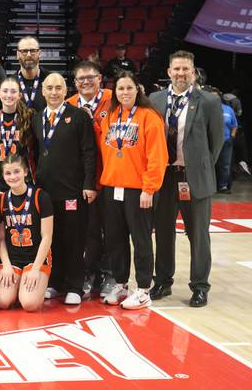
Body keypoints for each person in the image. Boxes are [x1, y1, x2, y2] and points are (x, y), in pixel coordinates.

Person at [149, 51, 224, 308]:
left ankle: (200, 286)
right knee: (164, 232)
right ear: (169, 71)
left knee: (199, 234)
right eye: (177, 69)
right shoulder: (155, 99)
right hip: (165, 178)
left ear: (193, 72)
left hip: (193, 178)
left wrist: (198, 167)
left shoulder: (209, 101)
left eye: (186, 69)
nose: (181, 73)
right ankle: (162, 281)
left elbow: (217, 142)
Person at [100, 71, 167, 309]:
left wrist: (149, 189)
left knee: (140, 240)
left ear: (138, 90)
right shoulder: (110, 116)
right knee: (115, 241)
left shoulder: (150, 117)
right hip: (111, 188)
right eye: (120, 88)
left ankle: (143, 289)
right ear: (114, 92)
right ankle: (121, 283)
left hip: (139, 190)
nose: (125, 92)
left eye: (129, 88)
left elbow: (157, 157)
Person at [32, 73, 96, 305]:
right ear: (43, 91)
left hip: (72, 190)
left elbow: (89, 152)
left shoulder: (78, 116)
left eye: (58, 87)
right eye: (49, 88)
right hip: (46, 191)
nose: (54, 92)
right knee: (52, 238)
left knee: (74, 238)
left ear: (66, 90)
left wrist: (89, 183)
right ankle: (56, 283)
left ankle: (75, 287)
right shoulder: (37, 118)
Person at [66, 61, 116, 298]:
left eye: (91, 77)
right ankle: (89, 273)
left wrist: (92, 122)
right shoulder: (69, 105)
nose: (86, 82)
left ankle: (112, 274)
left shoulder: (114, 98)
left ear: (100, 78)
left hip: (113, 176)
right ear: (74, 83)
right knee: (90, 230)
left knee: (114, 229)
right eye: (81, 79)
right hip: (86, 180)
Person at [0, 154, 53, 312]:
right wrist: (5, 265)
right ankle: (18, 284)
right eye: (8, 173)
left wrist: (35, 269)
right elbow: (1, 239)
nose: (13, 177)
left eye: (16, 171)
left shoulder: (41, 197)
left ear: (25, 172)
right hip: (12, 259)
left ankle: (31, 285)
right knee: (3, 302)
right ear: (3, 176)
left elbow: (47, 237)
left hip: (35, 259)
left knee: (29, 304)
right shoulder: (1, 200)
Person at [0, 76, 34, 193]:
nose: (9, 95)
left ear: (20, 95)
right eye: (5, 91)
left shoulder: (28, 117)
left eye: (13, 91)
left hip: (19, 176)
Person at [15, 36, 48, 111]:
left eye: (33, 50)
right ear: (17, 54)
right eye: (24, 51)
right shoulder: (9, 83)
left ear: (39, 53)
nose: (29, 55)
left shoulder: (51, 81)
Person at [217, 92, 238, 194]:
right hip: (211, 141)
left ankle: (223, 186)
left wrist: (232, 136)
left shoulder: (228, 109)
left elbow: (234, 125)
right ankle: (211, 186)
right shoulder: (207, 109)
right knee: (210, 164)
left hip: (226, 140)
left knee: (225, 164)